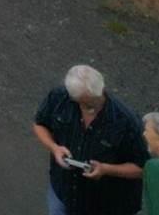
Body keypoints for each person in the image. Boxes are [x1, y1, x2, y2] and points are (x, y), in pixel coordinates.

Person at [33, 63, 150, 215]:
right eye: (86, 102)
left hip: (108, 205)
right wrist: (54, 148)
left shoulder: (126, 121)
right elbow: (40, 124)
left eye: (96, 99)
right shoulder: (58, 98)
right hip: (63, 193)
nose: (93, 106)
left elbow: (143, 168)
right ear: (73, 97)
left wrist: (106, 169)